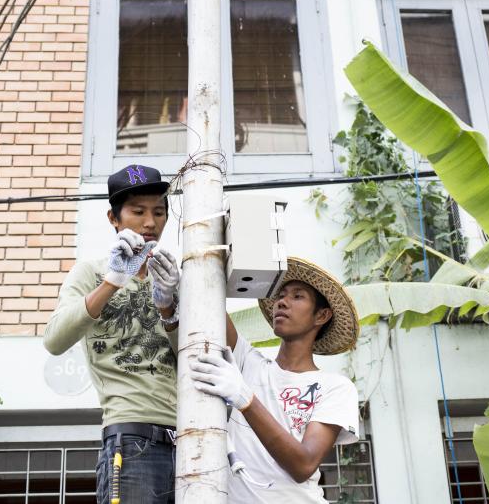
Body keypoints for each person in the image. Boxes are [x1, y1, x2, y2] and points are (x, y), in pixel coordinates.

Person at [44, 164, 182, 504]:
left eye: (159, 212)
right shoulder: (90, 272)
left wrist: (169, 307)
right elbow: (55, 339)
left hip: (191, 437)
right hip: (133, 439)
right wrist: (113, 281)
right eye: (138, 211)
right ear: (113, 218)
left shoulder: (172, 276)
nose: (150, 222)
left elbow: (193, 357)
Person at [188, 258, 361, 503]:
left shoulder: (335, 388)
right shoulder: (247, 362)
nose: (282, 301)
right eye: (281, 295)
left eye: (297, 296)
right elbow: (210, 304)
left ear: (321, 315)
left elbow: (304, 465)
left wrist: (246, 400)